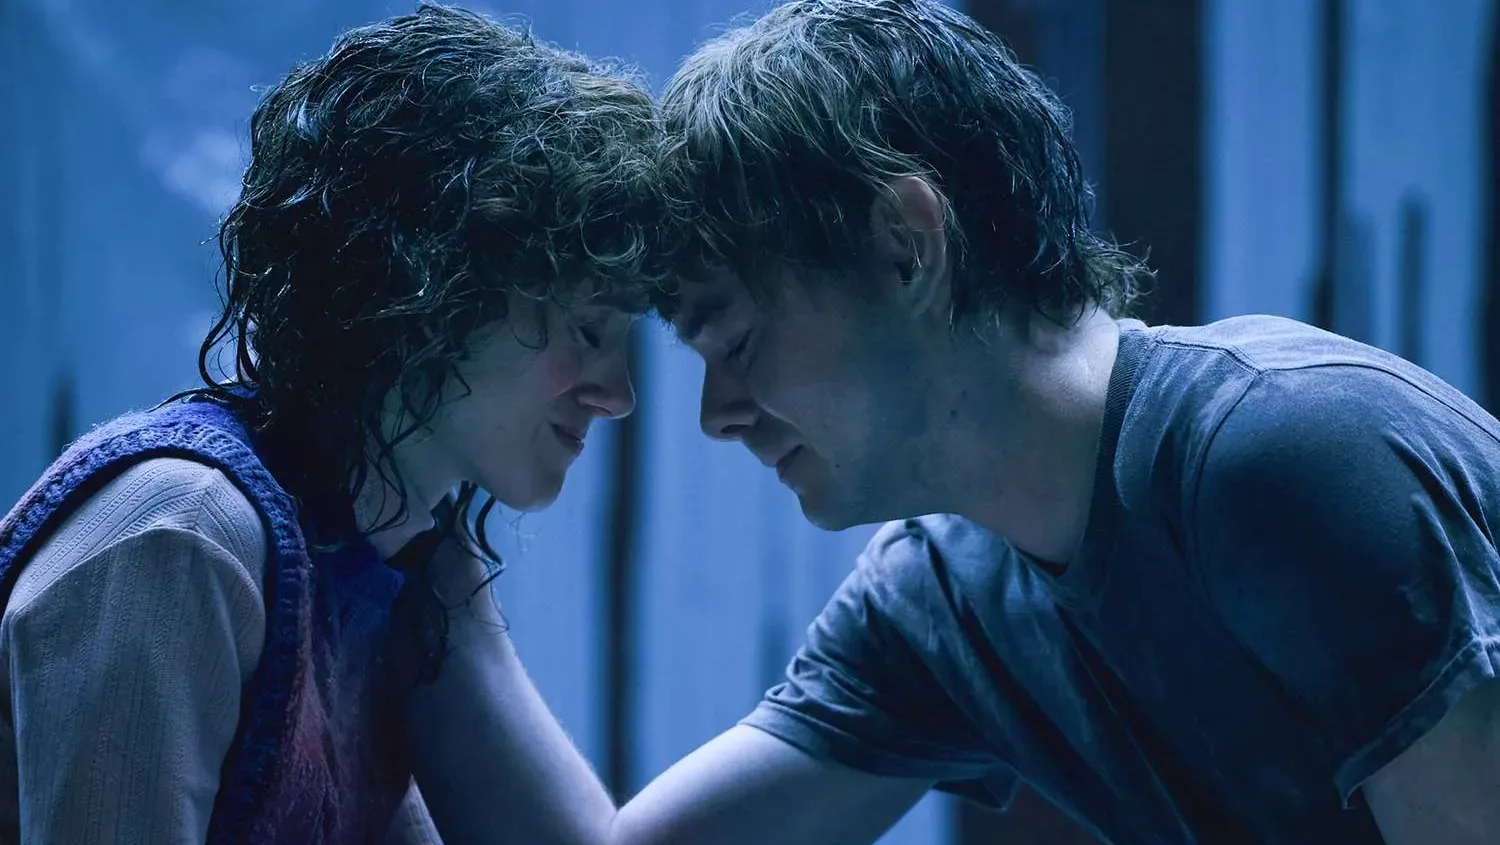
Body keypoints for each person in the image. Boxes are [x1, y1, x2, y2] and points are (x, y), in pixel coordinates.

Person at [610, 1, 1500, 843]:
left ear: (904, 245)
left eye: (738, 341)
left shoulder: (1284, 455)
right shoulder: (943, 601)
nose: (717, 415)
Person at [0, 5, 661, 843]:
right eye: (589, 331)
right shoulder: (182, 537)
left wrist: (445, 591)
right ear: (436, 292)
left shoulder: (382, 567)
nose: (617, 394)